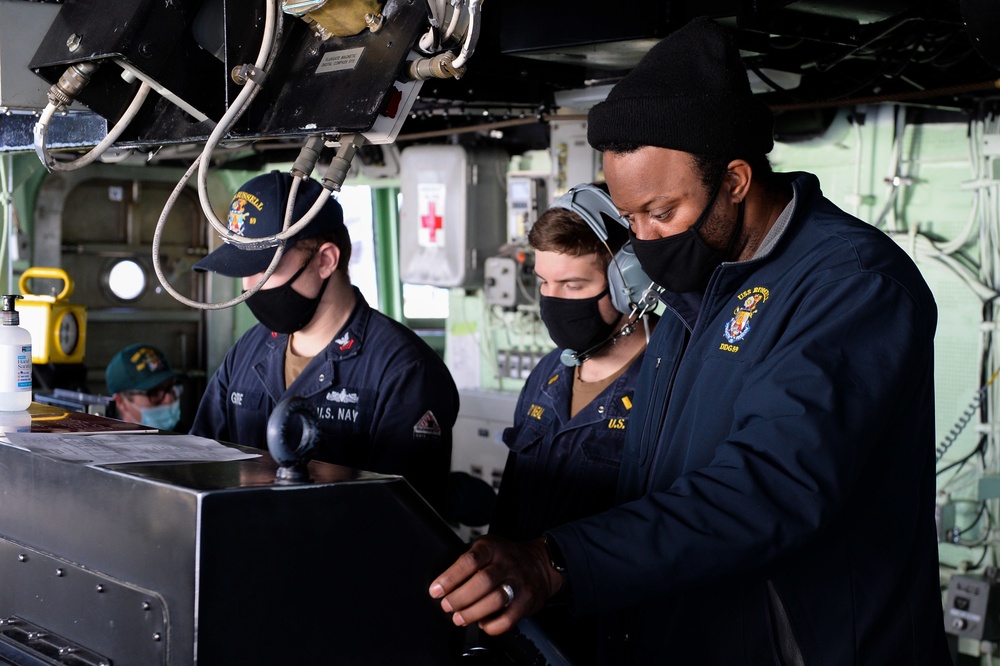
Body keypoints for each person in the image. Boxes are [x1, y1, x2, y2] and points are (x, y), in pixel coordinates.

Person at [429, 17, 949, 665]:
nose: (645, 241)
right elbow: (654, 482)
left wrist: (559, 561)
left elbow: (768, 488)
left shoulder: (852, 283)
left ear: (734, 180)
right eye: (631, 218)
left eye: (663, 212)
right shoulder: (693, 289)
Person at [190, 171, 459, 512]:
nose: (248, 286)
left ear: (325, 260)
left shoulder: (404, 370)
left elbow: (404, 519)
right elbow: (199, 465)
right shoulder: (247, 351)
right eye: (244, 270)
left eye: (264, 268)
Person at [488, 183, 656, 664]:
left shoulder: (673, 375)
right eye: (544, 283)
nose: (553, 301)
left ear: (631, 284)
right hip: (529, 629)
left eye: (574, 286)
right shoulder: (547, 375)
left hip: (619, 637)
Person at [105, 343, 184, 430]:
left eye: (172, 389)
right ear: (121, 402)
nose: (168, 399)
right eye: (155, 393)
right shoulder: (105, 441)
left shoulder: (194, 437)